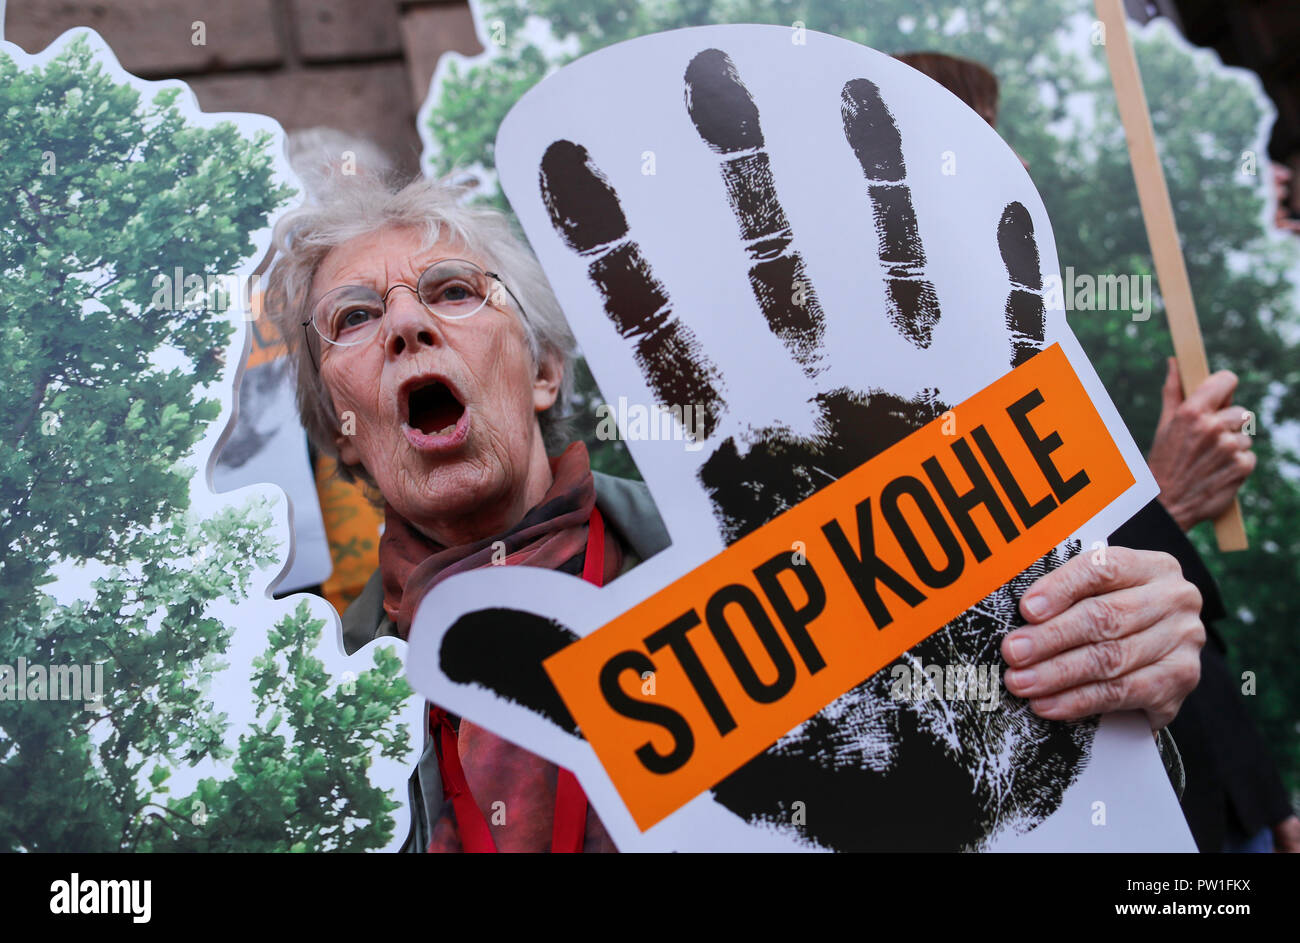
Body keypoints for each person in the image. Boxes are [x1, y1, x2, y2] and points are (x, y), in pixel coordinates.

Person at [264, 169, 1206, 852]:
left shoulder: (769, 549)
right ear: (339, 429)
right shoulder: (309, 714)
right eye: (352, 318)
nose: (406, 325)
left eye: (454, 291)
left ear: (545, 372)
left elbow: (1019, 784)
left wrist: (1106, 677)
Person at [896, 49, 1298, 853]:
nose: (1014, 178)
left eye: (1005, 152)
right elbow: (1007, 637)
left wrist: (1260, 795)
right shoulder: (871, 409)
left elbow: (1174, 636)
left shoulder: (1031, 367)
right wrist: (1166, 499)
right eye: (970, 152)